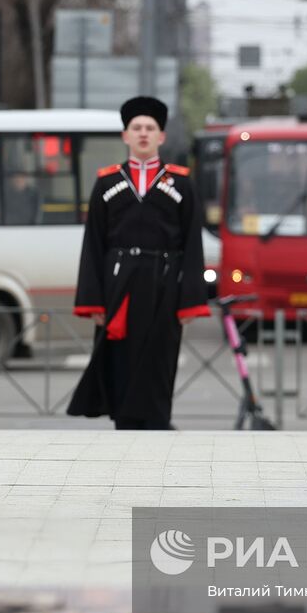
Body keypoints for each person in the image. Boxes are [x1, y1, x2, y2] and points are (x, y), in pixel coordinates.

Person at [67, 97, 212, 430]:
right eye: (137, 128)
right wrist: (93, 301)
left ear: (161, 136)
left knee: (160, 357)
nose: (143, 133)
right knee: (120, 360)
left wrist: (190, 301)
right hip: (119, 286)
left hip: (165, 285)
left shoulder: (181, 183)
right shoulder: (107, 183)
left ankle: (158, 424)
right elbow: (93, 244)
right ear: (125, 136)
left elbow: (193, 244)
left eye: (150, 128)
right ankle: (125, 426)